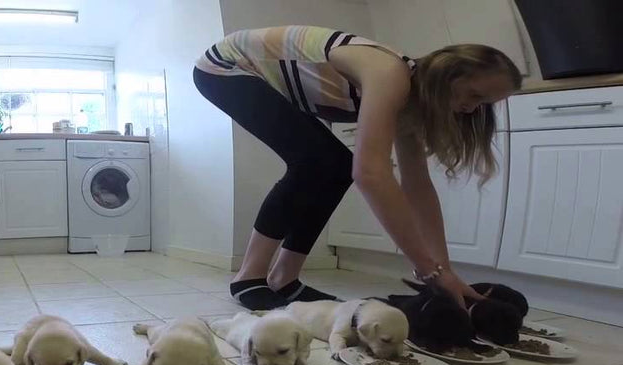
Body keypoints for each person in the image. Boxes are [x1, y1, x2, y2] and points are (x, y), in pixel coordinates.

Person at [194, 26, 521, 310]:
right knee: (314, 161)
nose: (471, 108)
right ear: (450, 73)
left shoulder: (410, 105)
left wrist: (443, 269)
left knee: (335, 165)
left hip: (259, 76)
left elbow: (417, 186)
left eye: (484, 104)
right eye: (474, 94)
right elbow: (371, 174)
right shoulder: (388, 73)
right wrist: (427, 270)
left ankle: (284, 278)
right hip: (226, 65)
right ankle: (249, 276)